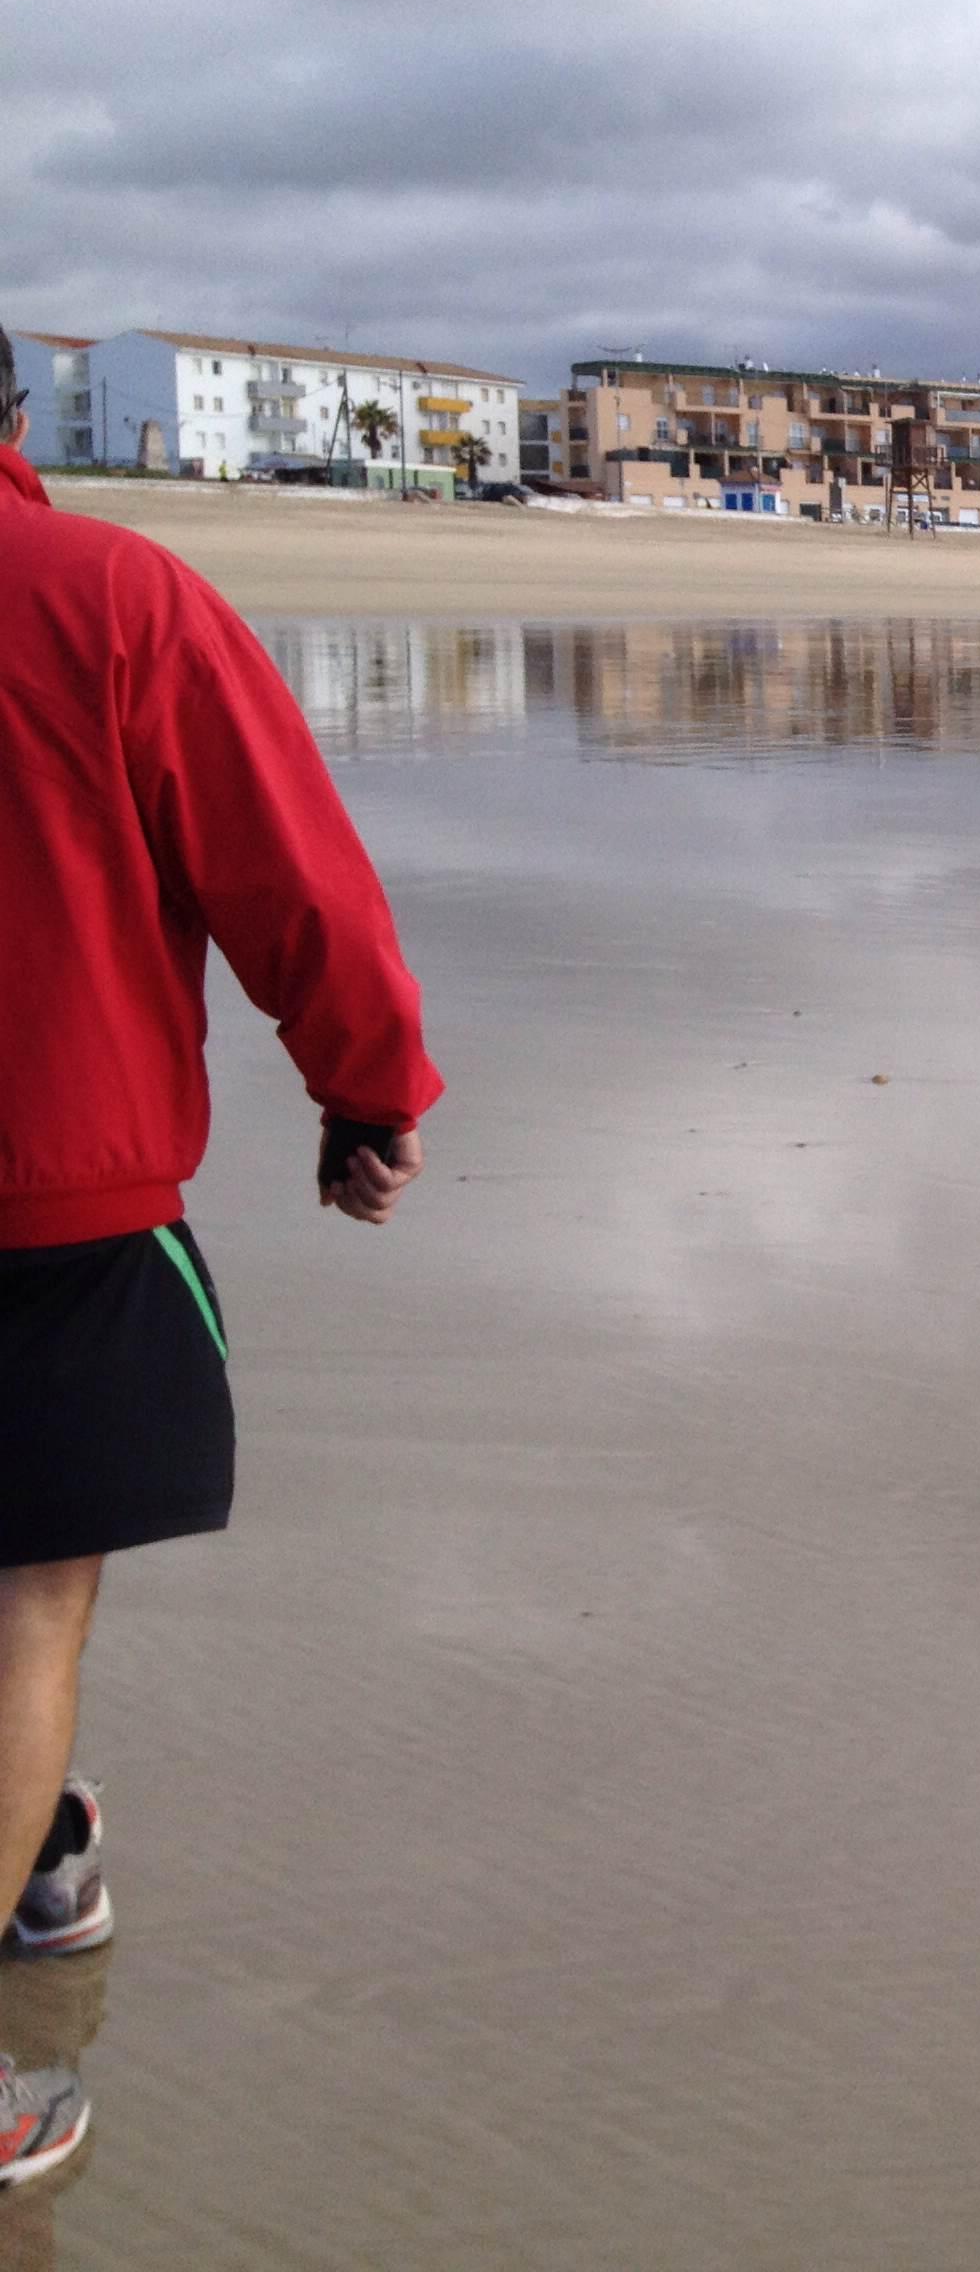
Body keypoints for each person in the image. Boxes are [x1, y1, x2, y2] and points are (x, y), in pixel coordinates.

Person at [0, 330, 440, 2186]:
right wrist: (368, 1091)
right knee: (25, 1607)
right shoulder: (112, 596)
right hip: (55, 1202)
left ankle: (38, 1852)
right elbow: (294, 880)